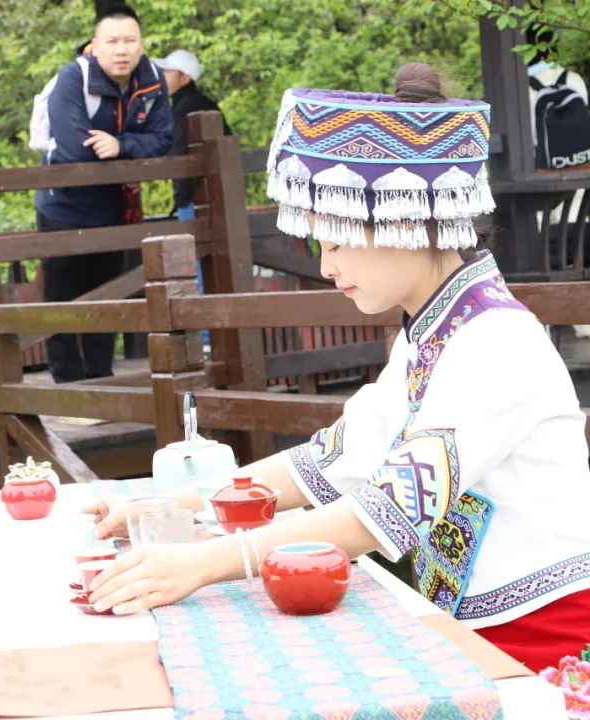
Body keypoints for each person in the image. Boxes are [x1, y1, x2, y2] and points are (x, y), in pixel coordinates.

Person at [82, 63, 590, 673]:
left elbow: (384, 512)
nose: (327, 266)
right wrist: (176, 506)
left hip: (544, 646)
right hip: (471, 628)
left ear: (406, 219)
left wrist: (203, 563)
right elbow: (327, 460)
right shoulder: (433, 331)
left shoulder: (494, 341)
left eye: (338, 242)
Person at [33, 4, 172, 383]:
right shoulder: (72, 78)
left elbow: (162, 140)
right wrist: (127, 147)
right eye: (112, 42)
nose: (121, 49)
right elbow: (76, 148)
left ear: (142, 45)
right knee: (63, 295)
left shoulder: (152, 79)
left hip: (113, 204)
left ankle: (101, 377)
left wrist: (120, 143)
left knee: (107, 295)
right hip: (63, 204)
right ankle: (67, 382)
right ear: (96, 46)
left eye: (130, 40)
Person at [152, 48, 231, 352]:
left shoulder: (184, 108)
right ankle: (217, 336)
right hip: (217, 201)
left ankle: (209, 340)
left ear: (184, 78)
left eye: (168, 72)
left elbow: (181, 163)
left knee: (197, 266)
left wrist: (181, 199)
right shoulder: (206, 105)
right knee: (214, 266)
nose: (162, 77)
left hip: (195, 202)